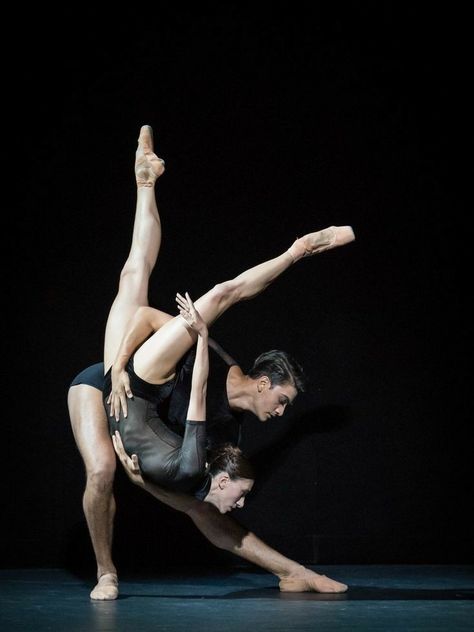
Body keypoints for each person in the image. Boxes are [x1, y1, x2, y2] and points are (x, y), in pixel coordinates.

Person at [68, 124, 353, 600]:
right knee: (100, 470)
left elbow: (178, 471)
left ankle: (294, 571)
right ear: (264, 383)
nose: (281, 414)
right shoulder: (218, 361)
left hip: (141, 405)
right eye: (282, 400)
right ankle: (105, 571)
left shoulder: (227, 436)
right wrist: (117, 365)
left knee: (202, 508)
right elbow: (144, 318)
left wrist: (143, 479)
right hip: (118, 376)